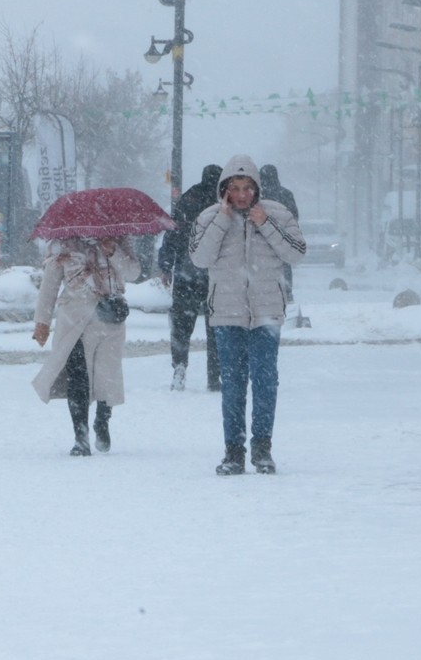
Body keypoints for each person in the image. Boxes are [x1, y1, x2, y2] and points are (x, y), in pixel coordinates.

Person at [190, 155, 305, 475]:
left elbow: (295, 253)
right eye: (235, 188)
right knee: (233, 383)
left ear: (257, 188)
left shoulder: (277, 213)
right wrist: (223, 219)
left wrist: (265, 223)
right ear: (224, 189)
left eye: (247, 188)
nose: (241, 194)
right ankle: (234, 451)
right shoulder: (209, 217)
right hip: (227, 313)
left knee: (266, 381)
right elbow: (200, 258)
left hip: (267, 311)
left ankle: (262, 448)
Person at [32, 235, 141, 455]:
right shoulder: (63, 243)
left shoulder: (118, 239)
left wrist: (113, 251)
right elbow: (50, 284)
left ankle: (102, 419)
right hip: (74, 321)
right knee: (78, 380)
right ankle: (80, 437)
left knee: (106, 376)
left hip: (109, 320)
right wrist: (41, 321)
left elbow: (133, 273)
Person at [157, 164, 222, 392]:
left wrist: (165, 266)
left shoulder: (188, 199)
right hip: (215, 277)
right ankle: (215, 376)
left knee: (182, 327)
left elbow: (172, 235)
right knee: (215, 328)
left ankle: (180, 366)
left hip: (186, 275)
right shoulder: (222, 202)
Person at [259, 164, 301, 304]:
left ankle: (262, 293)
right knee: (284, 265)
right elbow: (294, 216)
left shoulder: (256, 194)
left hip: (261, 237)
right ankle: (286, 293)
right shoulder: (286, 194)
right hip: (282, 237)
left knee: (260, 265)